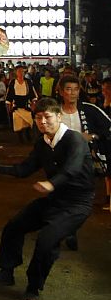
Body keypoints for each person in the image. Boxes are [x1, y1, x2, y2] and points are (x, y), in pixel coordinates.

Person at [0, 98, 94, 300]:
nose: (43, 122)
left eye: (47, 117)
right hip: (55, 200)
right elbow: (25, 169)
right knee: (14, 226)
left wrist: (52, 183)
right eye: (38, 118)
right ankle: (6, 272)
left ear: (59, 117)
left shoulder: (74, 140)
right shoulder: (42, 143)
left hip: (77, 204)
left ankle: (33, 287)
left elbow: (72, 168)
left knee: (46, 241)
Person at [56, 73, 110, 215]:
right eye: (68, 89)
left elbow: (108, 126)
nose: (73, 93)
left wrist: (92, 136)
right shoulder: (55, 112)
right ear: (61, 92)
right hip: (62, 158)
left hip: (85, 158)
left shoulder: (89, 109)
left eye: (76, 89)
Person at [5, 64, 38, 143]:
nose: (21, 73)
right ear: (16, 72)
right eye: (19, 71)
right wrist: (8, 105)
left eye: (22, 71)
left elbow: (32, 93)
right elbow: (9, 94)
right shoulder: (13, 82)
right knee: (18, 123)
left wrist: (33, 103)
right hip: (16, 106)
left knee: (28, 122)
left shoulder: (28, 82)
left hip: (26, 105)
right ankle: (21, 138)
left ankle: (28, 135)